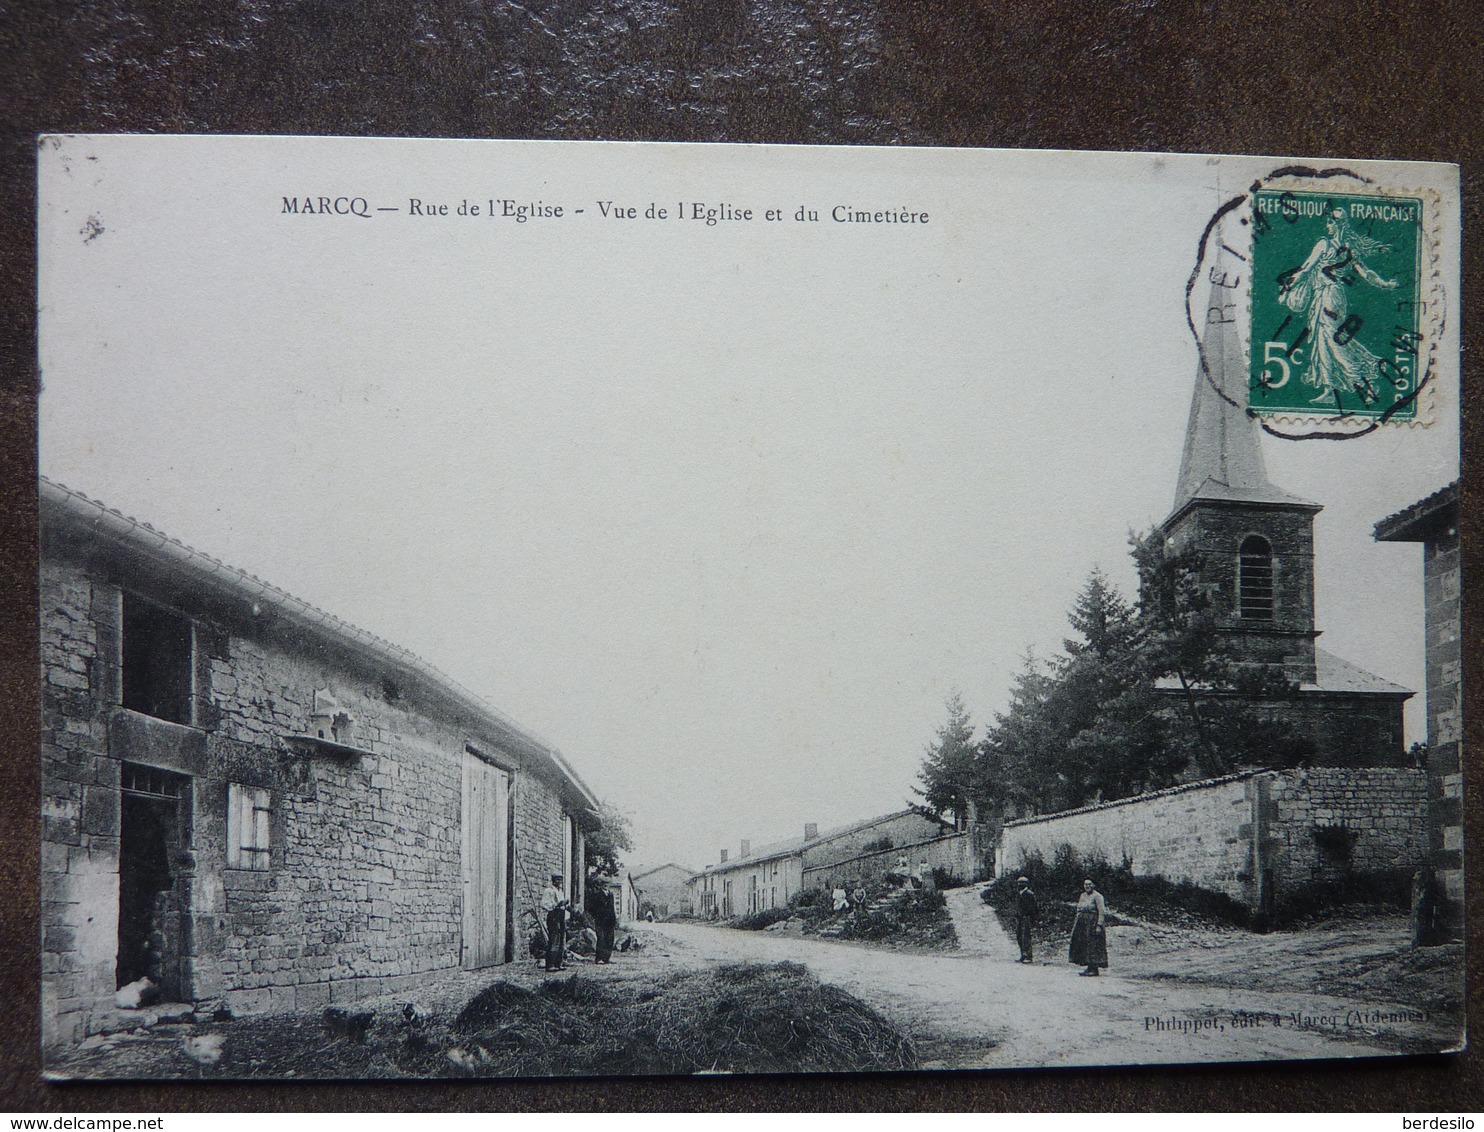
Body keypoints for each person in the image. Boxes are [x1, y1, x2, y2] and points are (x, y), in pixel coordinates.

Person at [1278, 206, 1399, 405]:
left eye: (1330, 222)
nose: (1327, 226)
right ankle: (1329, 389)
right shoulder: (1349, 248)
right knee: (1323, 340)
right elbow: (1366, 273)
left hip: (1327, 296)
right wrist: (1385, 284)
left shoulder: (1324, 244)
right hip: (1334, 296)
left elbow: (1306, 269)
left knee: (1333, 340)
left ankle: (1366, 382)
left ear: (1337, 224)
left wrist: (1286, 288)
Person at [1068, 878, 1108, 976]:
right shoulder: (1083, 896)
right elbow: (1079, 909)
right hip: (1083, 924)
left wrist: (1099, 925)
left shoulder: (1098, 896)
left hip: (1093, 923)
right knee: (1085, 945)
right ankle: (1088, 967)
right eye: (1085, 884)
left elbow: (1102, 912)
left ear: (1093, 885)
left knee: (1093, 945)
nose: (1087, 886)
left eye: (1089, 884)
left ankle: (1094, 969)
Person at [540, 873, 570, 971]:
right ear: (553, 881)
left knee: (561, 939)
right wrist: (555, 905)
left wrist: (565, 905)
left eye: (561, 880)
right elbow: (544, 904)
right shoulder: (549, 891)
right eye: (557, 880)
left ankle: (558, 963)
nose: (559, 882)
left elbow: (563, 905)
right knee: (554, 940)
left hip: (561, 916)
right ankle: (550, 964)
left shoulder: (560, 891)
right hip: (553, 916)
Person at [586, 878, 618, 964]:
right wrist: (596, 916)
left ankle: (606, 958)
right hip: (600, 920)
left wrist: (614, 919)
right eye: (604, 884)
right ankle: (599, 958)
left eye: (607, 884)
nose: (606, 885)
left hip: (610, 920)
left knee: (609, 939)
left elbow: (612, 908)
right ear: (601, 885)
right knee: (601, 938)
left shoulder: (611, 895)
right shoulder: (597, 895)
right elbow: (590, 907)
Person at [1014, 876, 1038, 964]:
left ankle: (1028, 956)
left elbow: (1034, 907)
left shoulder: (1029, 894)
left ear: (1026, 884)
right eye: (1019, 883)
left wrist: (1033, 919)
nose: (1019, 885)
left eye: (1022, 883)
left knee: (1026, 937)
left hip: (1026, 917)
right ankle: (1022, 954)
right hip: (1019, 918)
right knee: (1019, 936)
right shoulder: (1019, 893)